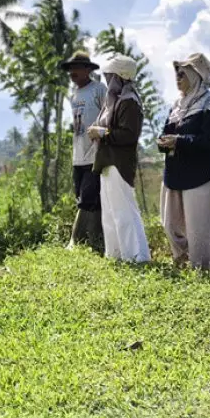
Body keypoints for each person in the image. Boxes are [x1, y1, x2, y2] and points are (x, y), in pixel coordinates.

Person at [158, 53, 210, 269]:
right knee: (170, 223)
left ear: (194, 75)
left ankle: (204, 268)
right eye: (176, 74)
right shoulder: (177, 105)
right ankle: (181, 259)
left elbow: (209, 140)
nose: (177, 78)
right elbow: (165, 133)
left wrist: (178, 141)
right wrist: (164, 142)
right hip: (175, 171)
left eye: (182, 74)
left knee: (199, 227)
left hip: (200, 173)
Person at [88, 55, 151, 263]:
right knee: (110, 212)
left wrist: (103, 133)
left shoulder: (129, 102)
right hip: (107, 160)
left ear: (120, 76)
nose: (107, 80)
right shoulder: (112, 101)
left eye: (110, 76)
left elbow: (129, 135)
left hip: (119, 162)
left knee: (124, 211)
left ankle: (137, 257)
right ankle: (115, 254)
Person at [59, 50, 106, 252]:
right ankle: (95, 241)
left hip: (95, 153)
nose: (72, 72)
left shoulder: (99, 89)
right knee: (87, 198)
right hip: (78, 155)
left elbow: (109, 116)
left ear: (87, 69)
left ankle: (74, 241)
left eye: (76, 68)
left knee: (86, 198)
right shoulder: (74, 95)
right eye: (70, 69)